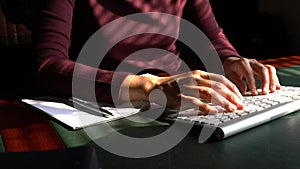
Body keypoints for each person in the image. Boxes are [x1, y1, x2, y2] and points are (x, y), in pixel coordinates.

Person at [31, 0, 281, 114]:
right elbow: (46, 65)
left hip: (178, 97)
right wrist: (150, 86)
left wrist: (231, 59)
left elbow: (212, 37)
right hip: (101, 100)